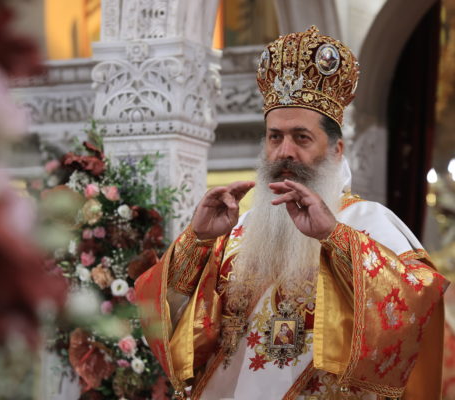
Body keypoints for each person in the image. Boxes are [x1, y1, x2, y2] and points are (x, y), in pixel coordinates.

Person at [135, 26, 449, 400]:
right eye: (275, 137)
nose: (285, 151)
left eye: (301, 137)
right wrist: (197, 240)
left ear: (336, 150)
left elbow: (417, 307)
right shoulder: (240, 232)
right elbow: (166, 323)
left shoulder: (368, 223)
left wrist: (333, 237)